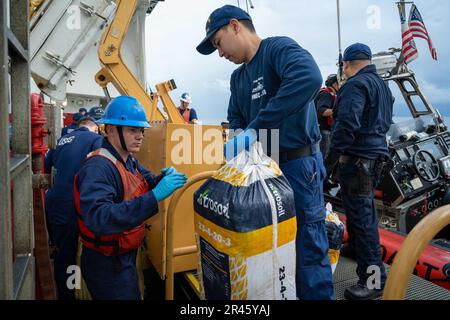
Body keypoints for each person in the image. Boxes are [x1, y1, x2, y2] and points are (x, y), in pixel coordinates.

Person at [197, 5, 334, 300]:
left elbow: (309, 78)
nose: (220, 53)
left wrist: (256, 129)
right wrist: (237, 138)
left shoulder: (277, 49)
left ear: (236, 26)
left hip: (298, 166)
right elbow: (235, 116)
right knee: (267, 245)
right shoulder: (238, 78)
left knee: (307, 246)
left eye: (218, 43)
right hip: (263, 171)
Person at [74, 96, 187, 299]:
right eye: (132, 130)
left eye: (141, 130)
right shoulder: (98, 168)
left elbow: (146, 180)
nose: (140, 136)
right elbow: (100, 217)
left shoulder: (128, 160)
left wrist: (163, 179)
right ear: (110, 130)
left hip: (123, 257)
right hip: (106, 264)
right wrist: (155, 196)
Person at [325, 43, 393, 300]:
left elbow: (346, 126)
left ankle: (374, 281)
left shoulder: (355, 85)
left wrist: (327, 163)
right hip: (375, 158)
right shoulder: (383, 87)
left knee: (363, 220)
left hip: (357, 160)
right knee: (361, 211)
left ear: (346, 63)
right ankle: (355, 247)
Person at [44, 116, 103, 299]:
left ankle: (68, 292)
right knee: (75, 254)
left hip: (55, 202)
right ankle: (72, 294)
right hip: (74, 202)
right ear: (95, 129)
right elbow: (101, 167)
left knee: (63, 252)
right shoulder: (95, 140)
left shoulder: (61, 140)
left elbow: (46, 170)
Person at [315, 74, 339, 159]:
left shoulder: (326, 93)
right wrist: (340, 111)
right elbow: (322, 111)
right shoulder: (327, 94)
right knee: (324, 157)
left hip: (323, 130)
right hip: (324, 131)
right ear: (335, 84)